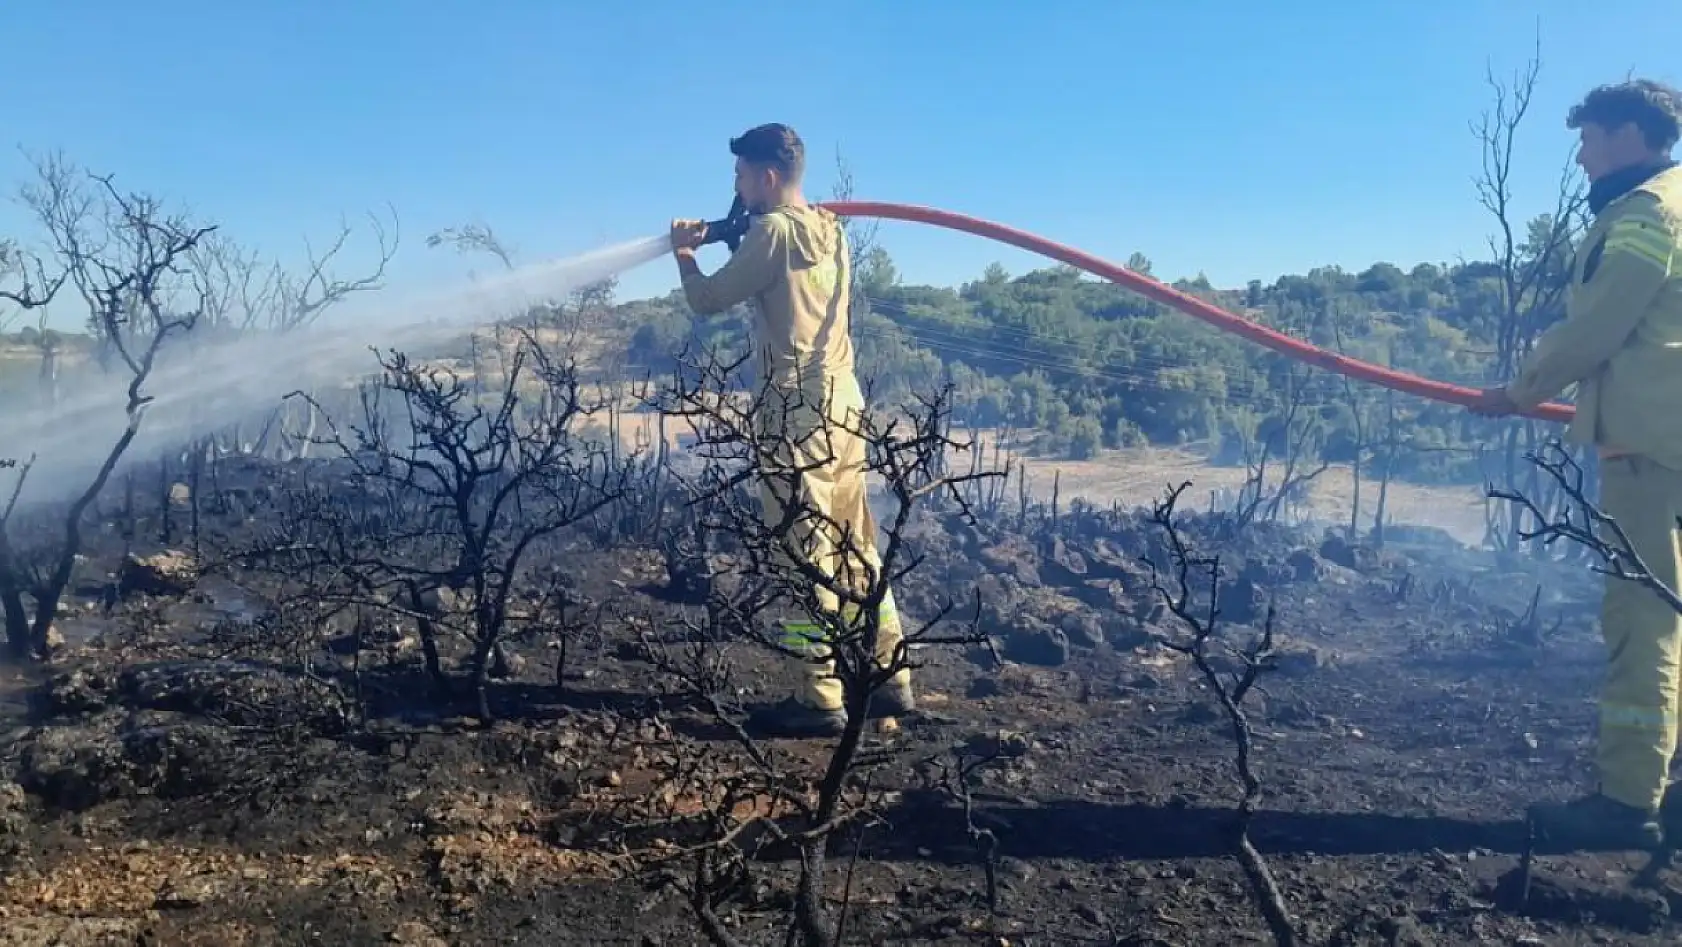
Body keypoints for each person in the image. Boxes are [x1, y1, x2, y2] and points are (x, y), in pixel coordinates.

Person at [1471, 79, 1682, 850]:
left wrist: (1519, 391)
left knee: (1645, 620)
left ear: (1628, 133)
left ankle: (1628, 803)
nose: (1582, 152)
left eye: (1589, 136)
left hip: (1653, 449)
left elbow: (1596, 328)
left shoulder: (1645, 216)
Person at [667, 123, 915, 737]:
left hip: (793, 411)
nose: (737, 186)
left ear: (767, 177)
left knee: (803, 552)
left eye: (741, 175)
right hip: (843, 405)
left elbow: (708, 300)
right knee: (857, 542)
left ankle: (820, 692)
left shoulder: (773, 233)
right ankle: (890, 676)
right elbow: (776, 279)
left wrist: (685, 254)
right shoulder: (829, 230)